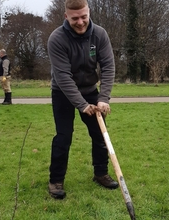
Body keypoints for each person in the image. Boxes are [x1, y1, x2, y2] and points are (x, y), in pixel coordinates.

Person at [47, 0, 117, 199]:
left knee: (100, 134)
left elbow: (108, 67)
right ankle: (56, 180)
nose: (80, 22)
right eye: (75, 18)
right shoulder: (57, 39)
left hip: (90, 90)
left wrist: (103, 98)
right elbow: (63, 77)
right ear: (66, 16)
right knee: (63, 137)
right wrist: (82, 105)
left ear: (89, 13)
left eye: (83, 16)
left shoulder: (100, 34)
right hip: (62, 92)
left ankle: (101, 173)